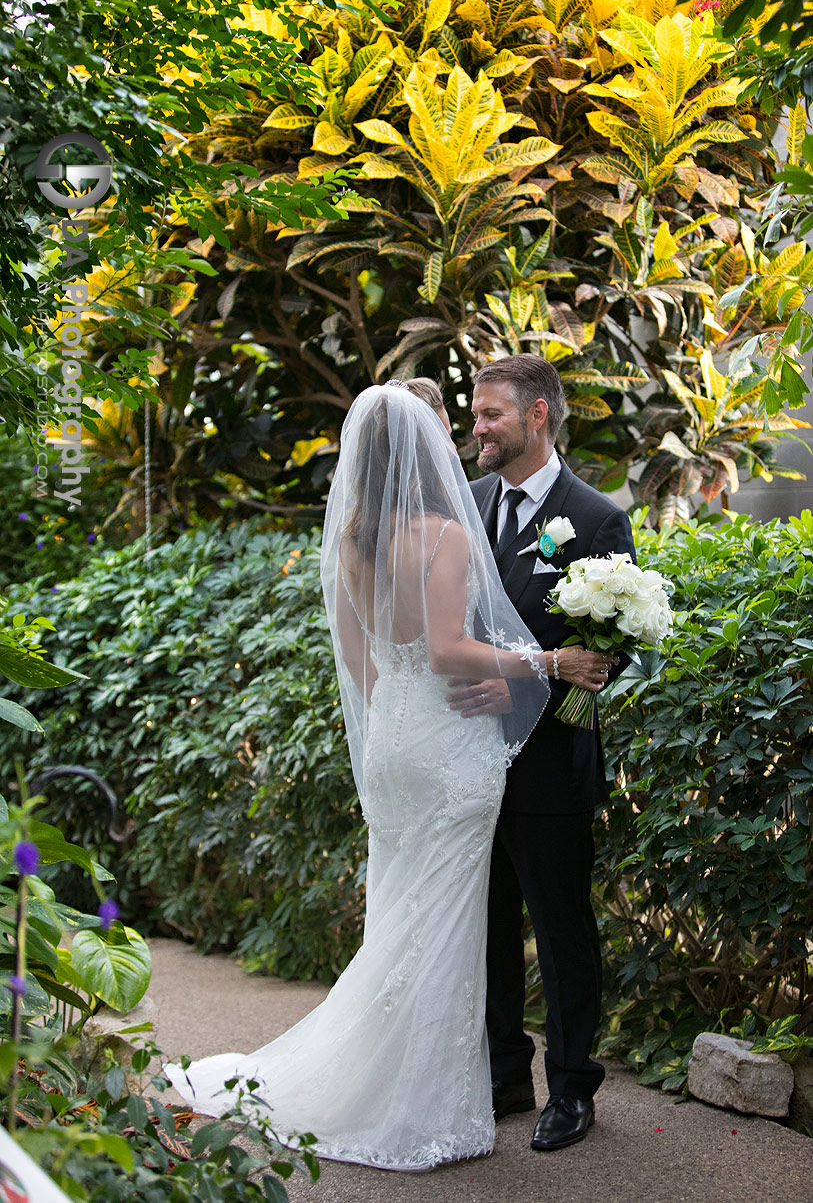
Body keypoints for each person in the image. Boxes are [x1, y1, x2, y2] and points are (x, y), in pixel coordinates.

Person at [165, 381, 553, 1172]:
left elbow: (358, 661)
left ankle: (393, 1083)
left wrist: (402, 720)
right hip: (447, 743)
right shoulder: (442, 534)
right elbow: (449, 650)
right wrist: (542, 659)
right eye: (442, 426)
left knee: (404, 917)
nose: (452, 437)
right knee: (441, 924)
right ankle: (416, 1109)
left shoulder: (351, 538)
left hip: (394, 739)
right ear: (417, 446)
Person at [447, 354, 635, 1152]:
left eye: (490, 414)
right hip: (465, 759)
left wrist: (521, 694)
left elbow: (607, 657)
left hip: (550, 766)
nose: (476, 428)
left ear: (536, 417)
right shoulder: (469, 505)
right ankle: (502, 1078)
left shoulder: (594, 519)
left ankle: (571, 1089)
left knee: (561, 933)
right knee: (484, 928)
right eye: (475, 414)